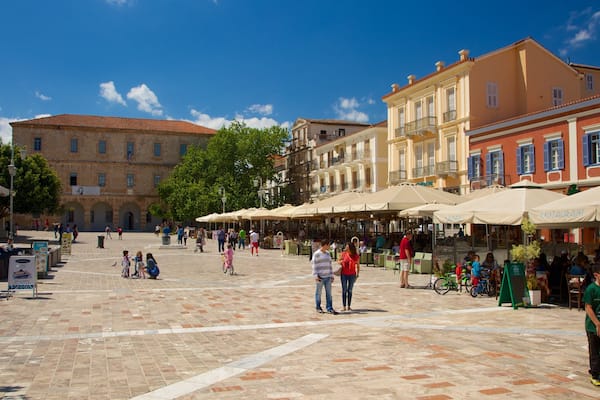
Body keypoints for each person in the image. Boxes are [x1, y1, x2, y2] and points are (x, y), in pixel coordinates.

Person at [583, 263, 600, 387]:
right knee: (594, 350)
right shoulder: (591, 289)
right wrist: (597, 324)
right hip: (592, 325)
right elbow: (588, 308)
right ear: (596, 275)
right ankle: (595, 374)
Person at [311, 239, 337, 315]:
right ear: (325, 245)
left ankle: (329, 307)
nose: (329, 246)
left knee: (329, 293)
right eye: (328, 245)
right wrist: (315, 275)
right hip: (320, 277)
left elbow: (330, 265)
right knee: (318, 293)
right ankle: (318, 307)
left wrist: (332, 275)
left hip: (328, 276)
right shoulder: (316, 254)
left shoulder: (328, 254)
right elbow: (314, 265)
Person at [339, 242, 360, 311]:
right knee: (344, 290)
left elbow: (358, 265)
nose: (346, 248)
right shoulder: (343, 254)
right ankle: (344, 306)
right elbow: (338, 261)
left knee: (350, 290)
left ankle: (349, 306)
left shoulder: (356, 256)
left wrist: (357, 274)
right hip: (344, 274)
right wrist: (341, 262)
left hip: (352, 274)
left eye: (347, 247)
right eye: (346, 247)